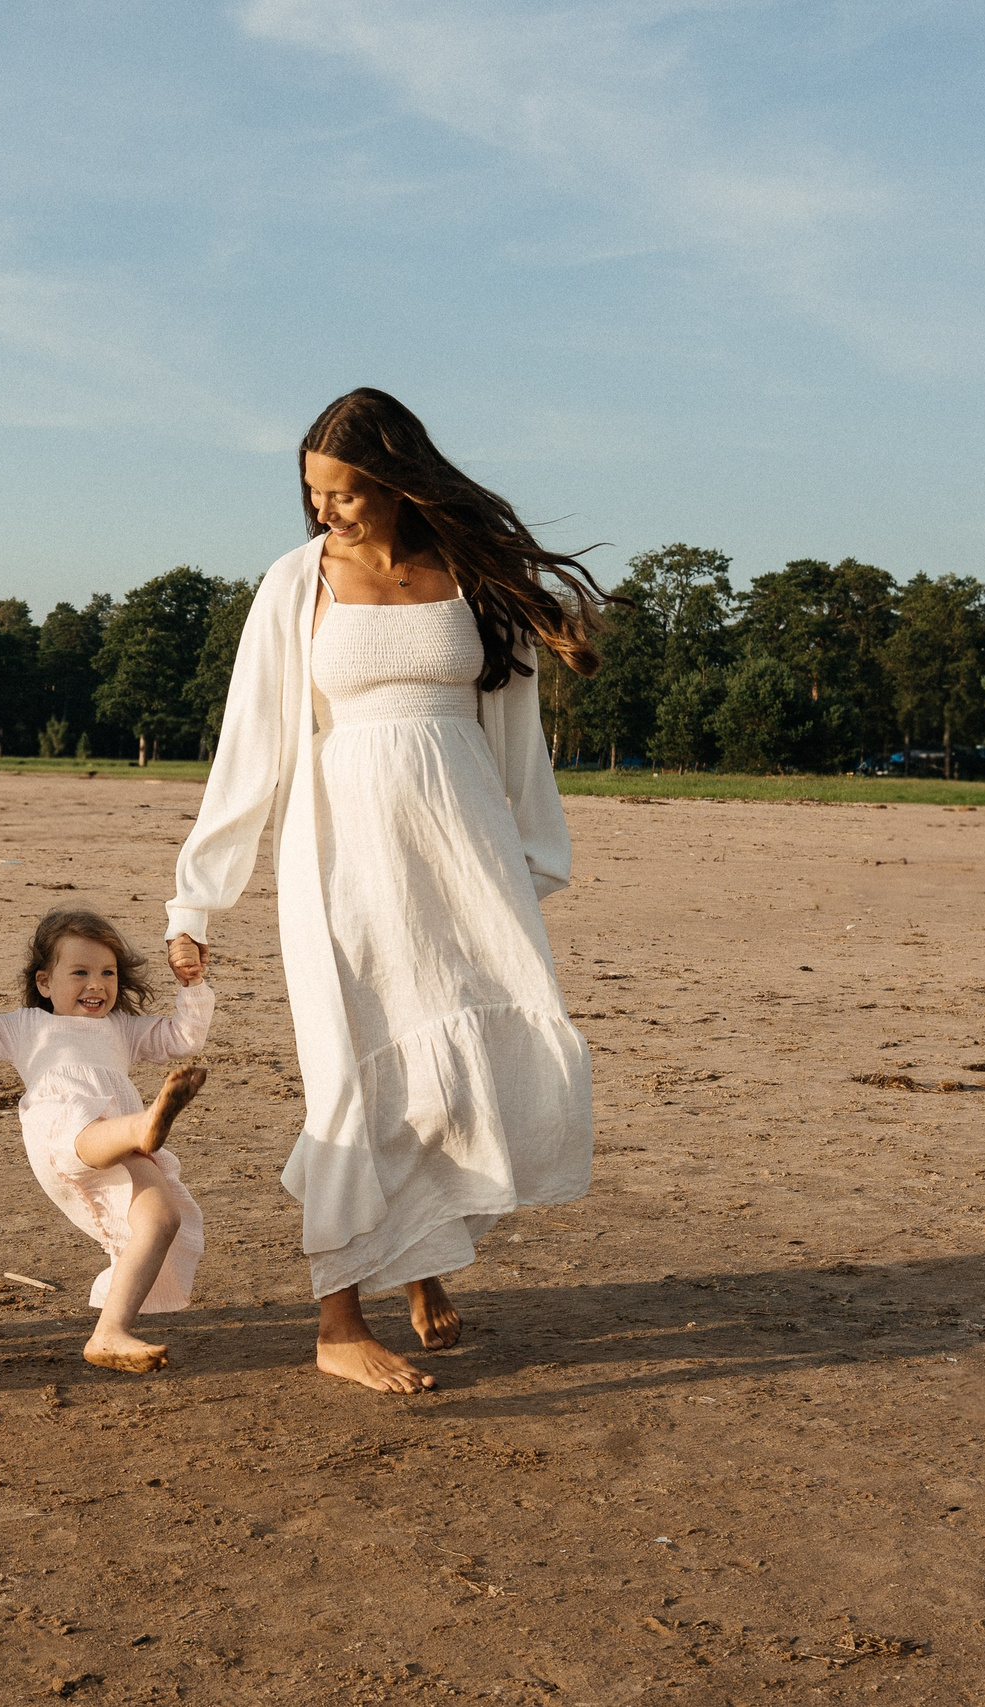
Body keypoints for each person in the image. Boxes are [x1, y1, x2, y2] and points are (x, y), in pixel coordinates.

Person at [165, 387, 604, 1394]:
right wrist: (198, 898)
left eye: (348, 494)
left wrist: (527, 867)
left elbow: (515, 743)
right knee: (352, 1074)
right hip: (343, 865)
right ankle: (336, 1322)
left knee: (460, 1063)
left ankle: (419, 1258)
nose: (328, 512)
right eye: (315, 494)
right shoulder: (296, 584)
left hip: (459, 859)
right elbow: (254, 747)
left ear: (400, 482)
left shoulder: (476, 582)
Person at [0, 908, 213, 1372]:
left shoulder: (120, 1029)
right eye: (80, 972)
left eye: (108, 973)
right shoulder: (24, 1027)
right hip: (61, 1132)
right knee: (104, 1130)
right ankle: (145, 1125)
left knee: (163, 1219)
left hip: (116, 1145)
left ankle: (110, 1333)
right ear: (44, 982)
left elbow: (181, 1039)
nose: (96, 984)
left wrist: (192, 985)